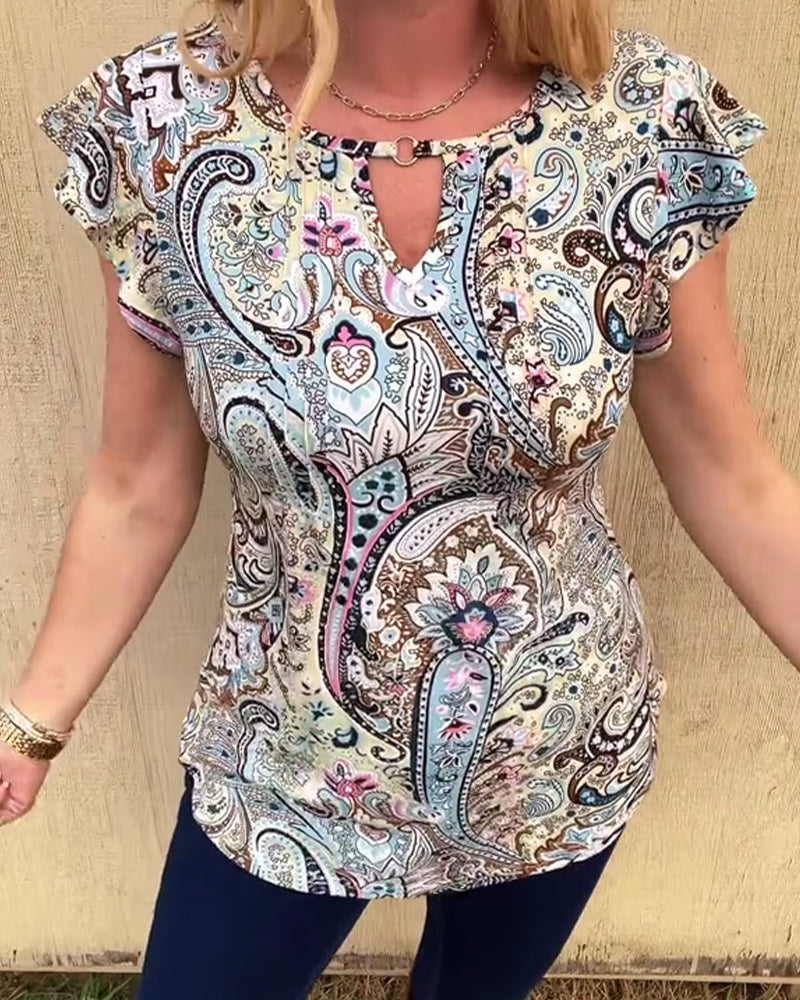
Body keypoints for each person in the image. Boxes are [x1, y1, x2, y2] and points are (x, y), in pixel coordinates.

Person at [1, 0, 798, 997]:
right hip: (287, 751)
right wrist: (31, 721)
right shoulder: (163, 124)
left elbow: (728, 476)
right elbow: (137, 485)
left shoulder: (641, 121)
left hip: (555, 746)